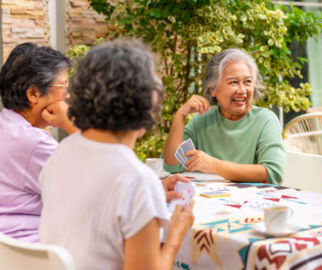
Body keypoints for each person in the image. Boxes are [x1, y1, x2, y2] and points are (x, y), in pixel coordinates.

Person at [39, 39, 194, 270]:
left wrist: (149, 199)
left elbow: (92, 207)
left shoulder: (60, 153)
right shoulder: (138, 180)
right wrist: (176, 235)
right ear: (146, 103)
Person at [163, 48, 286, 184]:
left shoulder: (265, 120)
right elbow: (172, 165)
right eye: (234, 82)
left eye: (247, 81)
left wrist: (214, 166)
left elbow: (273, 173)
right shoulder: (202, 119)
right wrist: (180, 115)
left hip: (252, 202)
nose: (242, 90)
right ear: (213, 90)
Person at [0, 43, 76, 242]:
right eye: (63, 86)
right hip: (36, 250)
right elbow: (93, 191)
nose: (67, 95)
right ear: (33, 93)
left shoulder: (6, 126)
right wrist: (71, 124)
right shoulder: (33, 143)